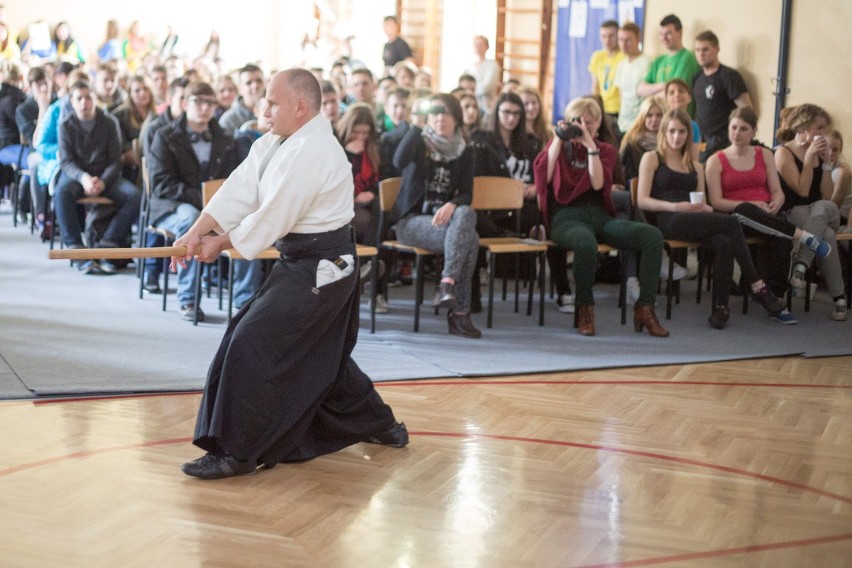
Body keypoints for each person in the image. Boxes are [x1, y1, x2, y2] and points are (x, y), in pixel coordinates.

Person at [174, 69, 408, 480]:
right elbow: (240, 188)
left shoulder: (316, 150)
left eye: (272, 102)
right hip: (301, 261)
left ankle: (238, 452)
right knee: (324, 357)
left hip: (325, 267)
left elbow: (274, 215)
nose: (263, 109)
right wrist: (194, 232)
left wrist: (220, 242)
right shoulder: (278, 140)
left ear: (300, 107)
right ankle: (380, 422)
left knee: (250, 341)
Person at [637, 108, 792, 329]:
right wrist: (675, 206)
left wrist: (706, 209)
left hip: (694, 218)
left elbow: (705, 203)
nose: (676, 136)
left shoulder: (695, 165)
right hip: (669, 219)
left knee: (724, 241)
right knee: (731, 222)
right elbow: (642, 200)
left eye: (682, 132)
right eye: (672, 131)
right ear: (664, 131)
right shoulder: (652, 158)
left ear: (688, 135)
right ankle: (758, 285)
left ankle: (721, 308)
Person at [532, 97, 668, 337]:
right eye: (577, 120)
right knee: (585, 243)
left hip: (599, 216)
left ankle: (645, 308)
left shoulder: (605, 150)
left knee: (651, 236)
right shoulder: (557, 147)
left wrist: (590, 147)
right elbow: (547, 175)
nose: (583, 125)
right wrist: (558, 138)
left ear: (597, 124)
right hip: (565, 217)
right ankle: (585, 308)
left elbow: (597, 183)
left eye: (589, 121)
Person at [705, 107, 831, 297]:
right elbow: (716, 202)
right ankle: (804, 236)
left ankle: (775, 294)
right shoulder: (715, 160)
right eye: (734, 127)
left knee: (782, 241)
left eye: (743, 128)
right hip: (734, 217)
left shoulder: (765, 154)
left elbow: (777, 192)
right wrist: (753, 205)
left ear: (754, 131)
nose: (737, 133)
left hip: (767, 214)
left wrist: (776, 204)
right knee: (745, 209)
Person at [147, 81, 243, 320]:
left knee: (245, 222)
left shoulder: (225, 138)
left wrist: (215, 203)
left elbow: (233, 180)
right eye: (198, 101)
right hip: (172, 206)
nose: (205, 108)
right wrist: (203, 199)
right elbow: (161, 184)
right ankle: (188, 299)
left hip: (213, 205)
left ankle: (244, 299)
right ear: (184, 103)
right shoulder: (164, 136)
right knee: (191, 221)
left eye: (210, 103)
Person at [391, 93, 482, 338]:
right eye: (435, 113)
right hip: (412, 221)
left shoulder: (465, 151)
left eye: (447, 113)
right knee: (470, 241)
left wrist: (452, 204)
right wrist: (416, 127)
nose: (440, 117)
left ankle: (447, 284)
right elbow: (398, 161)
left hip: (446, 224)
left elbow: (466, 194)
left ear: (456, 119)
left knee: (465, 214)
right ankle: (459, 314)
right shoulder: (419, 142)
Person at [53, 80, 141, 273]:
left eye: (88, 97)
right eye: (79, 98)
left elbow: (115, 160)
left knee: (134, 196)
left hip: (105, 176)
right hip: (78, 176)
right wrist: (84, 178)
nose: (84, 102)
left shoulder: (109, 122)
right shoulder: (65, 125)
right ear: (72, 101)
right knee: (61, 193)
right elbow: (66, 162)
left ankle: (109, 243)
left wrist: (102, 181)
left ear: (95, 99)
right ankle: (76, 248)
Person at [774, 104, 846, 321]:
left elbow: (825, 197)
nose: (823, 134)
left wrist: (825, 164)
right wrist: (808, 158)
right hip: (796, 213)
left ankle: (802, 263)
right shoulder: (783, 152)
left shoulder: (820, 154)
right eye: (819, 128)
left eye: (825, 129)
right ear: (803, 126)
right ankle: (839, 299)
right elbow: (802, 190)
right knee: (827, 236)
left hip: (821, 213)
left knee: (824, 208)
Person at [692, 30, 751, 161]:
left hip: (723, 141)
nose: (701, 54)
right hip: (701, 141)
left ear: (716, 49)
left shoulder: (729, 76)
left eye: (705, 49)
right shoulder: (697, 78)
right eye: (697, 50)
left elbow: (747, 111)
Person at [637, 14, 700, 115]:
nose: (664, 38)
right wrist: (662, 85)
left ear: (679, 32)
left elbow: (674, 95)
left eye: (668, 33)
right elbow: (640, 89)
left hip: (679, 119)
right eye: (661, 34)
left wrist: (651, 95)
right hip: (660, 121)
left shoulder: (687, 58)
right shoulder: (659, 61)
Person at [614, 22, 651, 135]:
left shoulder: (647, 62)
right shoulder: (621, 65)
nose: (624, 44)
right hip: (623, 123)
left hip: (640, 124)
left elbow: (649, 95)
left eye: (628, 40)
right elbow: (622, 95)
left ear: (638, 39)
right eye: (620, 39)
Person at [588, 20, 624, 123]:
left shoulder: (624, 57)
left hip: (618, 110)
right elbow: (595, 87)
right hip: (601, 109)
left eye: (611, 36)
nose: (607, 40)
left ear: (618, 35)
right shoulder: (597, 56)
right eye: (603, 36)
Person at [219, 64, 265, 137]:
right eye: (248, 83)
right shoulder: (229, 120)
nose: (255, 86)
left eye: (259, 81)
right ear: (240, 88)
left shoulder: (276, 113)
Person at [466, 35, 500, 112]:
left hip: (485, 106)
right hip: (469, 105)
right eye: (476, 44)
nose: (478, 47)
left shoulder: (492, 65)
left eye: (481, 45)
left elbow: (485, 88)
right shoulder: (469, 66)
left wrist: (470, 90)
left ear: (487, 47)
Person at [828, 131, 851, 229]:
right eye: (827, 148)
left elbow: (834, 206)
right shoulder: (822, 167)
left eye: (835, 150)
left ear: (840, 151)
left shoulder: (842, 171)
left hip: (840, 217)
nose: (830, 153)